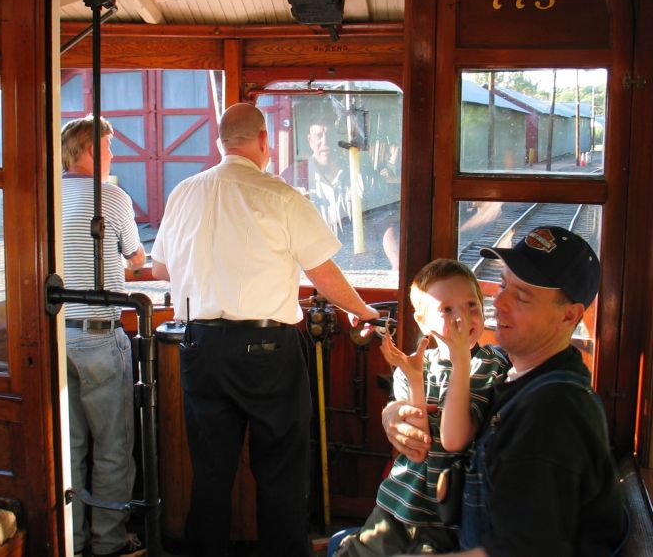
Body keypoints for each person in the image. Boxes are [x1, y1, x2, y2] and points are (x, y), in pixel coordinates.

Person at [150, 102, 380, 557]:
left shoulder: (184, 193)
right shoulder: (281, 196)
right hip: (268, 351)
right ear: (262, 142)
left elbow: (159, 266)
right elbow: (324, 274)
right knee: (281, 471)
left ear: (220, 144)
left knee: (211, 472)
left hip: (200, 346)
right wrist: (362, 312)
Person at [381, 226, 628, 556]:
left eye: (522, 296)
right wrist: (393, 413)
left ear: (569, 315)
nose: (498, 302)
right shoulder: (521, 377)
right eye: (502, 285)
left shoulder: (551, 416)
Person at [333, 260, 508, 556]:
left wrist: (460, 360)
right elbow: (418, 445)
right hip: (399, 500)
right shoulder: (417, 365)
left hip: (445, 516)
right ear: (423, 321)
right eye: (447, 309)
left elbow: (455, 440)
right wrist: (414, 380)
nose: (461, 318)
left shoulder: (490, 366)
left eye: (471, 305)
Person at [61, 116, 146, 557]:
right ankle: (109, 542)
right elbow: (135, 259)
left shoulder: (49, 195)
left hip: (58, 337)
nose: (114, 156)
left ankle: (72, 542)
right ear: (90, 151)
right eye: (110, 148)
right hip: (98, 334)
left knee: (70, 448)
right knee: (113, 446)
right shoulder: (110, 196)